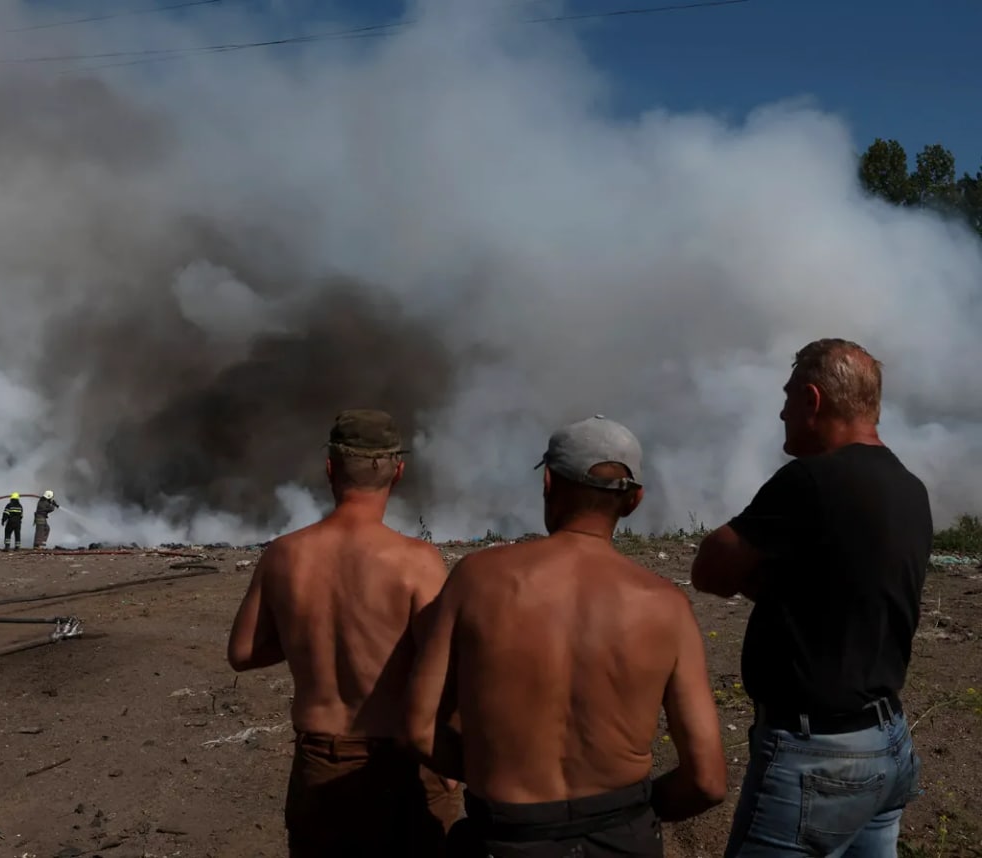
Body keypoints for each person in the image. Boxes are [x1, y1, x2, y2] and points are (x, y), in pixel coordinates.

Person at [405, 415, 727, 858]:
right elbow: (708, 782)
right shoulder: (667, 606)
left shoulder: (477, 579)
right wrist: (627, 815)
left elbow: (419, 728)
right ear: (634, 501)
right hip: (623, 838)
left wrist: (490, 772)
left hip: (508, 838)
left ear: (548, 483)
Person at [691, 339, 930, 857]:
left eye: (787, 396)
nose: (781, 411)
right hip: (887, 741)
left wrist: (757, 579)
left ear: (813, 400)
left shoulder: (809, 482)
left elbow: (709, 568)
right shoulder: (910, 487)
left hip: (817, 756)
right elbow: (843, 589)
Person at [226, 409, 461, 857]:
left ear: (330, 469)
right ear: (399, 472)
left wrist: (304, 635)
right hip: (407, 760)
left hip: (322, 763)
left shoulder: (284, 555)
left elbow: (242, 652)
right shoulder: (416, 561)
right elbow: (447, 663)